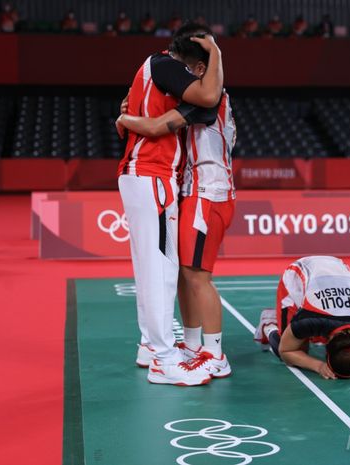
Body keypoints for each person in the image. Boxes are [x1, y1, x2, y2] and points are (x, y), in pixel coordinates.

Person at [117, 22, 223, 386]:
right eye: (203, 67)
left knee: (154, 268)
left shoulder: (153, 72)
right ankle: (164, 359)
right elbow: (209, 98)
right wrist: (217, 52)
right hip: (152, 175)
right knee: (160, 272)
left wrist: (127, 119)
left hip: (147, 176)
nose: (203, 77)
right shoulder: (164, 66)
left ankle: (151, 346)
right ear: (194, 63)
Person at [254, 256, 350, 379]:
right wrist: (318, 366)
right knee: (293, 349)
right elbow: (286, 351)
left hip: (335, 266)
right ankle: (269, 324)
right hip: (299, 271)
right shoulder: (310, 320)